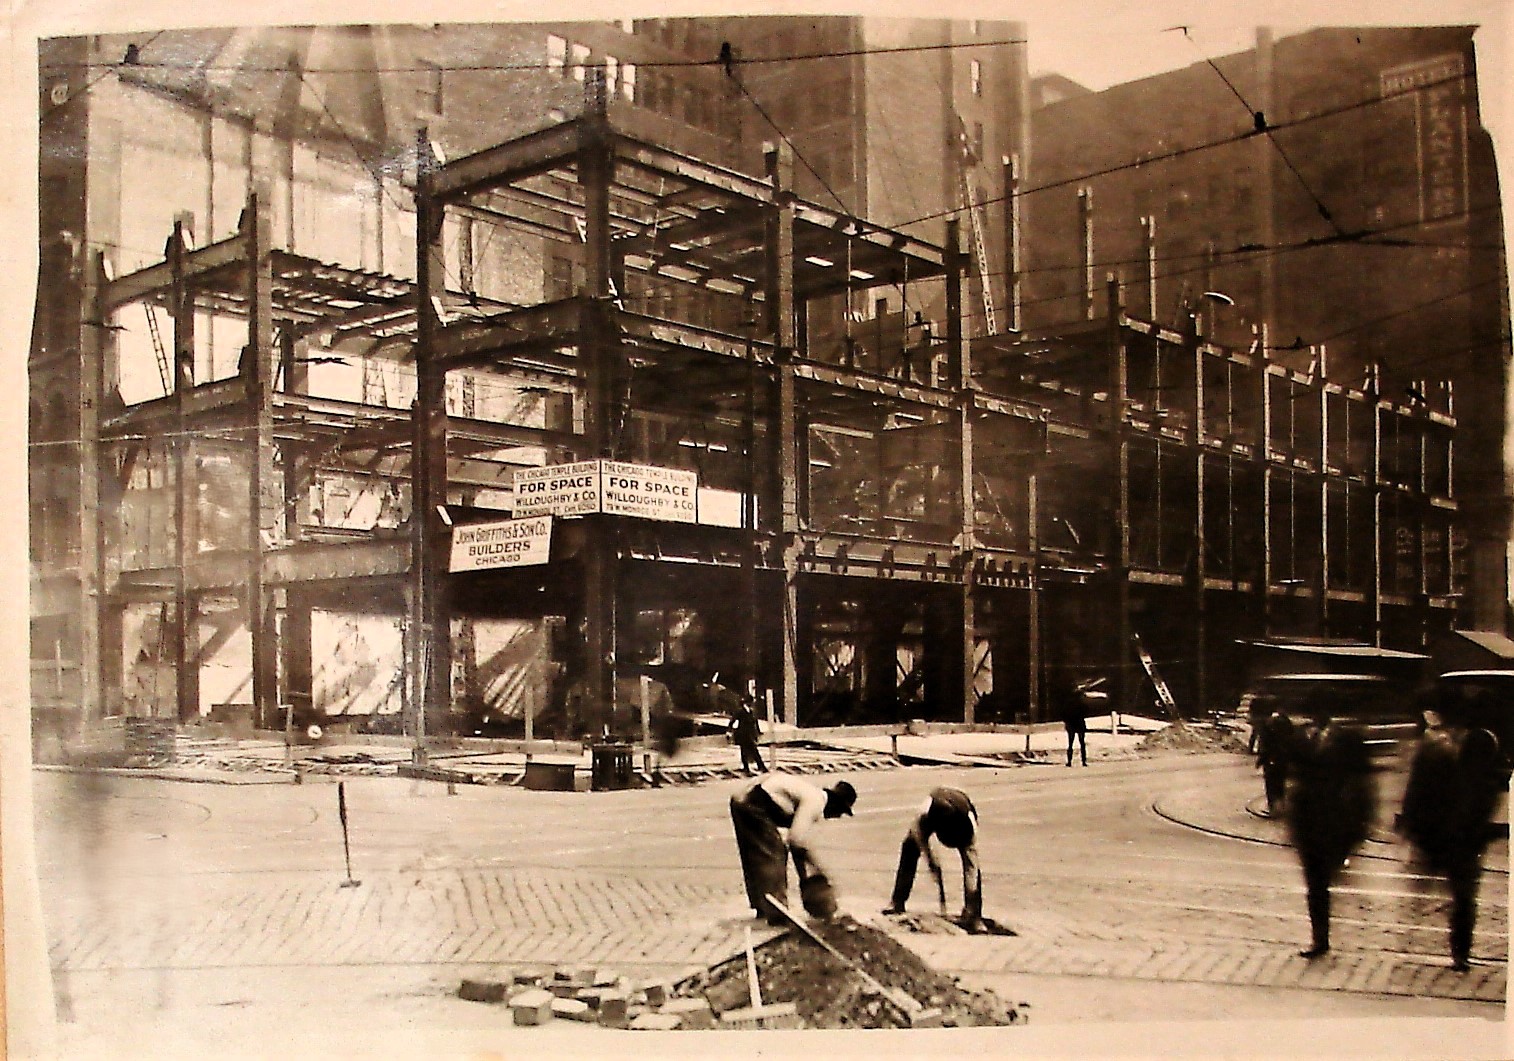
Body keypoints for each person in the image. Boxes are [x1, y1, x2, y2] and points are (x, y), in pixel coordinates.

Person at [1398, 694, 1506, 971]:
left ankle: (1459, 951)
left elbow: (1488, 788)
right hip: (1455, 831)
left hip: (1461, 831)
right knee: (1463, 895)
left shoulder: (1474, 745)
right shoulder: (1444, 746)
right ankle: (1459, 953)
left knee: (1462, 895)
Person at [1284, 701, 1376, 959]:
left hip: (1337, 821)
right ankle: (1320, 939)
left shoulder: (1348, 739)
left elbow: (1362, 783)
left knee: (1325, 881)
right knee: (1315, 886)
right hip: (1309, 824)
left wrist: (1360, 822)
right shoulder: (1301, 738)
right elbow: (1294, 778)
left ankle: (1323, 936)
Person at [728, 774, 856, 925]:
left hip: (743, 797)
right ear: (835, 804)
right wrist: (818, 868)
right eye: (841, 811)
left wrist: (805, 877)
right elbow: (795, 840)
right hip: (754, 801)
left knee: (755, 855)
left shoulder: (809, 794)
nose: (838, 816)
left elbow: (796, 847)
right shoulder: (816, 801)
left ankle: (762, 906)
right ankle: (778, 914)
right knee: (773, 855)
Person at [882, 786, 983, 930]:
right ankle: (897, 901)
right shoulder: (924, 814)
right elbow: (920, 840)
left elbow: (971, 867)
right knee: (909, 847)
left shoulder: (969, 825)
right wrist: (931, 862)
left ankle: (974, 916)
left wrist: (971, 895)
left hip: (961, 818)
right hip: (933, 816)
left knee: (973, 866)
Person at [1255, 704, 1294, 817]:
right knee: (1280, 782)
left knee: (1271, 783)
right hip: (1283, 758)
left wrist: (1261, 759)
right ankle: (1280, 805)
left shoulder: (1268, 724)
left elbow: (1265, 744)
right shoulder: (1287, 722)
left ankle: (1273, 808)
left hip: (1271, 759)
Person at [728, 695, 767, 775]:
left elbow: (755, 723)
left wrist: (758, 732)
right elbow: (732, 721)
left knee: (754, 751)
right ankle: (748, 768)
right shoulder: (740, 711)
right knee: (745, 752)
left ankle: (760, 767)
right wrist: (729, 731)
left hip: (750, 734)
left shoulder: (751, 712)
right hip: (742, 734)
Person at [1055, 680, 1088, 767]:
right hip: (1079, 723)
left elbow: (1064, 713)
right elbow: (1085, 711)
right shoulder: (1080, 702)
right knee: (1082, 743)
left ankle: (1069, 761)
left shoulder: (1068, 702)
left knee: (1070, 743)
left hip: (1071, 723)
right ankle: (1083, 761)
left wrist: (1066, 721)